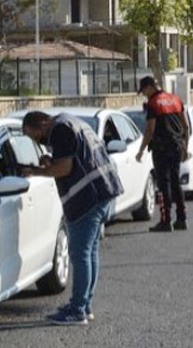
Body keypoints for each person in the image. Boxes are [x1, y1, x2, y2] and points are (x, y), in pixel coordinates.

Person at [21, 111, 123, 326]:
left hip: (89, 197)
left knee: (80, 254)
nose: (38, 142)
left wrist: (35, 171)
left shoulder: (59, 129)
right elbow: (74, 158)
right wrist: (52, 161)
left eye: (35, 136)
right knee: (90, 251)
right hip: (103, 190)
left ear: (42, 124)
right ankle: (84, 305)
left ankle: (77, 310)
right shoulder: (70, 121)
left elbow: (65, 168)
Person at [135, 75, 192, 232]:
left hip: (161, 148)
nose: (144, 94)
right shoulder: (175, 99)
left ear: (149, 87)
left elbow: (150, 129)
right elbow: (186, 126)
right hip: (176, 146)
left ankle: (165, 221)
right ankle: (182, 219)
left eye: (144, 91)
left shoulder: (153, 103)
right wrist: (185, 148)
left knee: (163, 184)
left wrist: (141, 150)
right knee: (175, 182)